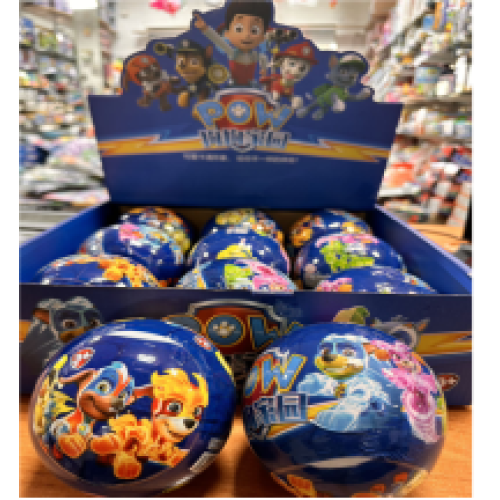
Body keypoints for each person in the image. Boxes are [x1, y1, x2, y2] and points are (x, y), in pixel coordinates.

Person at [193, 0, 273, 86]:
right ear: (227, 33)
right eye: (238, 29)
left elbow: (263, 58)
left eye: (254, 30)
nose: (246, 35)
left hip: (251, 85)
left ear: (262, 37)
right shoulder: (232, 53)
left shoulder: (254, 55)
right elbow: (219, 41)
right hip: (234, 85)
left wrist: (264, 68)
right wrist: (205, 28)